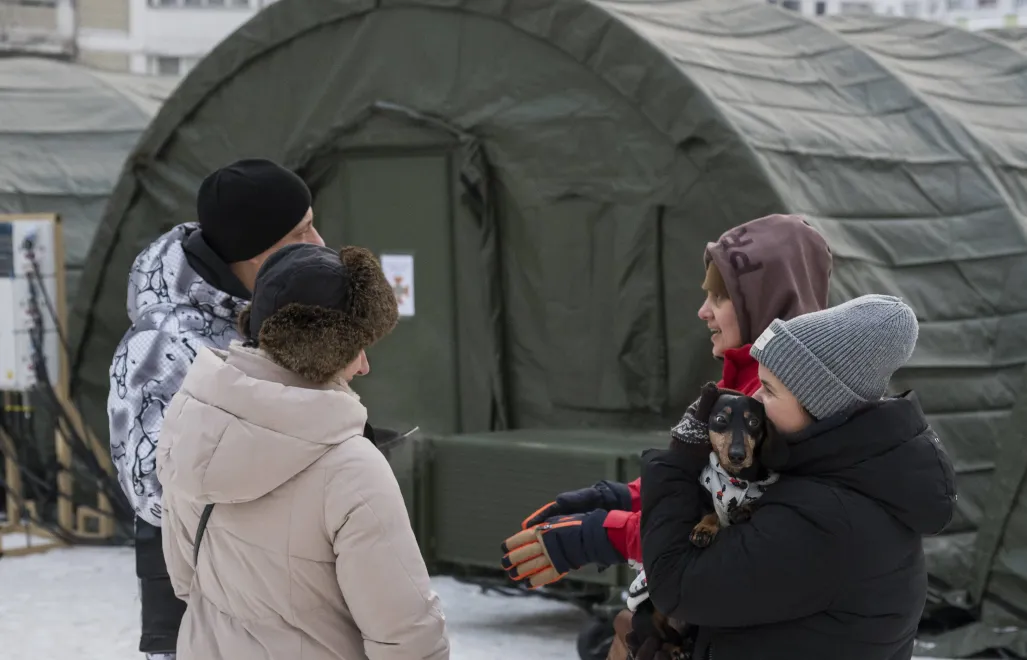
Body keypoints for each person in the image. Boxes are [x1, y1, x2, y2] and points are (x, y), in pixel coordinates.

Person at [156, 243, 449, 660]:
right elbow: (407, 635)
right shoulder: (351, 467)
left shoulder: (193, 426)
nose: (364, 366)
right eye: (356, 347)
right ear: (320, 348)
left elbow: (186, 581)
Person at [638, 295, 957, 659]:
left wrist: (681, 458)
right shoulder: (852, 481)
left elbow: (678, 586)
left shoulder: (823, 518)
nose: (755, 398)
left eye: (770, 390)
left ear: (820, 404)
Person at [107, 158, 324, 659]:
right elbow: (153, 491)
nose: (318, 243)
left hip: (286, 596)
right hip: (201, 610)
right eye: (302, 230)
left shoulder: (272, 311)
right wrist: (296, 454)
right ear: (254, 251)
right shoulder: (161, 344)